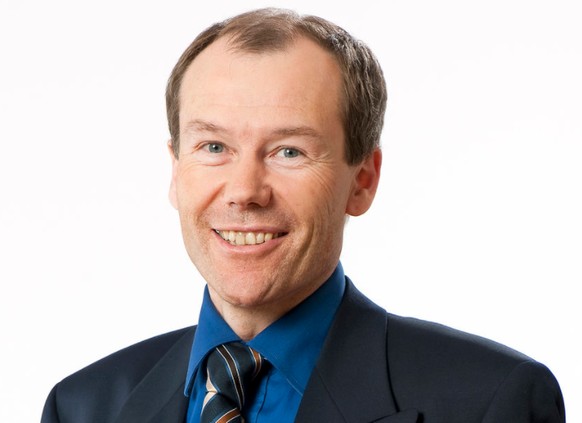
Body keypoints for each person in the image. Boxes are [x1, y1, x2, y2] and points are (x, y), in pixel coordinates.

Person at [41, 8, 565, 423]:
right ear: (176, 171)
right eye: (214, 146)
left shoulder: (491, 401)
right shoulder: (83, 408)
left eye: (289, 151)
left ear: (363, 181)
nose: (244, 192)